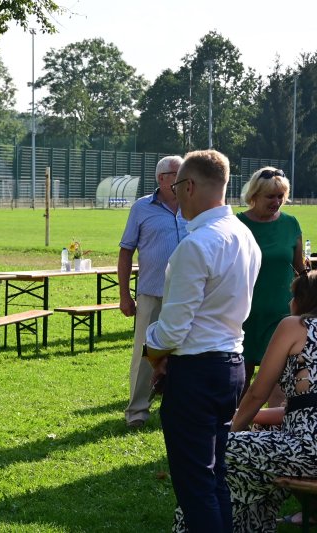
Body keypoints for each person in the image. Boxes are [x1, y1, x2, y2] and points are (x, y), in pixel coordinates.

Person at [145, 149, 261, 532]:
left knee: (195, 486)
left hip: (196, 371)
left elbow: (172, 328)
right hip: (231, 366)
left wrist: (152, 351)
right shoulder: (245, 236)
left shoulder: (196, 245)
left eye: (177, 188)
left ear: (190, 186)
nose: (175, 196)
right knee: (214, 477)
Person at [171, 271, 317, 532]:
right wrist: (242, 416)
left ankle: (196, 527)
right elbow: (302, 410)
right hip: (307, 446)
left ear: (304, 300)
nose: (288, 302)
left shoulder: (295, 326)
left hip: (309, 450)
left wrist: (231, 431)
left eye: (293, 296)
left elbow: (257, 393)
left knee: (211, 453)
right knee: (251, 456)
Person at [118, 155, 188, 429]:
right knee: (146, 353)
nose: (185, 179)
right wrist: (125, 295)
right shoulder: (142, 208)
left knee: (186, 352)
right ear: (162, 178)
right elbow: (126, 251)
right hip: (152, 293)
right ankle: (137, 411)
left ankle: (179, 405)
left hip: (188, 295)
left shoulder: (193, 206)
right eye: (179, 174)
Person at [237, 167, 304, 407]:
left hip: (280, 315)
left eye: (280, 196)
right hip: (244, 314)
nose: (276, 202)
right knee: (241, 380)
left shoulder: (290, 224)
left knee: (278, 381)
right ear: (254, 195)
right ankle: (236, 425)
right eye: (270, 196)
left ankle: (272, 425)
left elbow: (300, 269)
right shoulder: (238, 225)